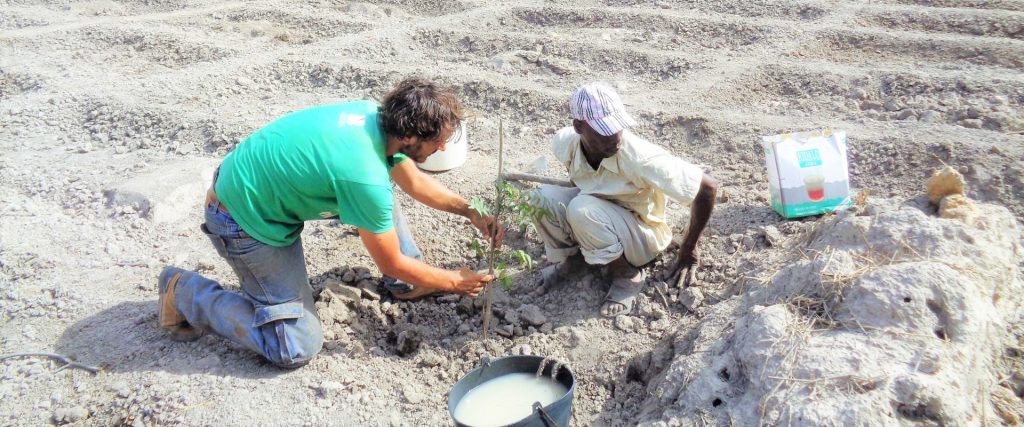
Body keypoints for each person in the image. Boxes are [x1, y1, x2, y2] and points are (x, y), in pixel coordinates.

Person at [157, 78, 503, 368]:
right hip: (241, 219)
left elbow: (412, 180)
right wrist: (453, 281)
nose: (443, 147)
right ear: (411, 137)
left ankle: (405, 284)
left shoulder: (377, 119)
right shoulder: (364, 177)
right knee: (294, 346)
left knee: (378, 194)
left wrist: (470, 209)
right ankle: (184, 291)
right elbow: (390, 258)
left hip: (258, 187)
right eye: (438, 141)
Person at [530, 82, 718, 317]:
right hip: (600, 217)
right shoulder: (564, 143)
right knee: (540, 198)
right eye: (603, 130)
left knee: (582, 209)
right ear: (579, 127)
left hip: (641, 235)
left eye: (617, 126)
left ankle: (627, 275)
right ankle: (575, 260)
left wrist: (689, 249)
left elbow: (707, 188)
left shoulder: (640, 158)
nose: (615, 137)